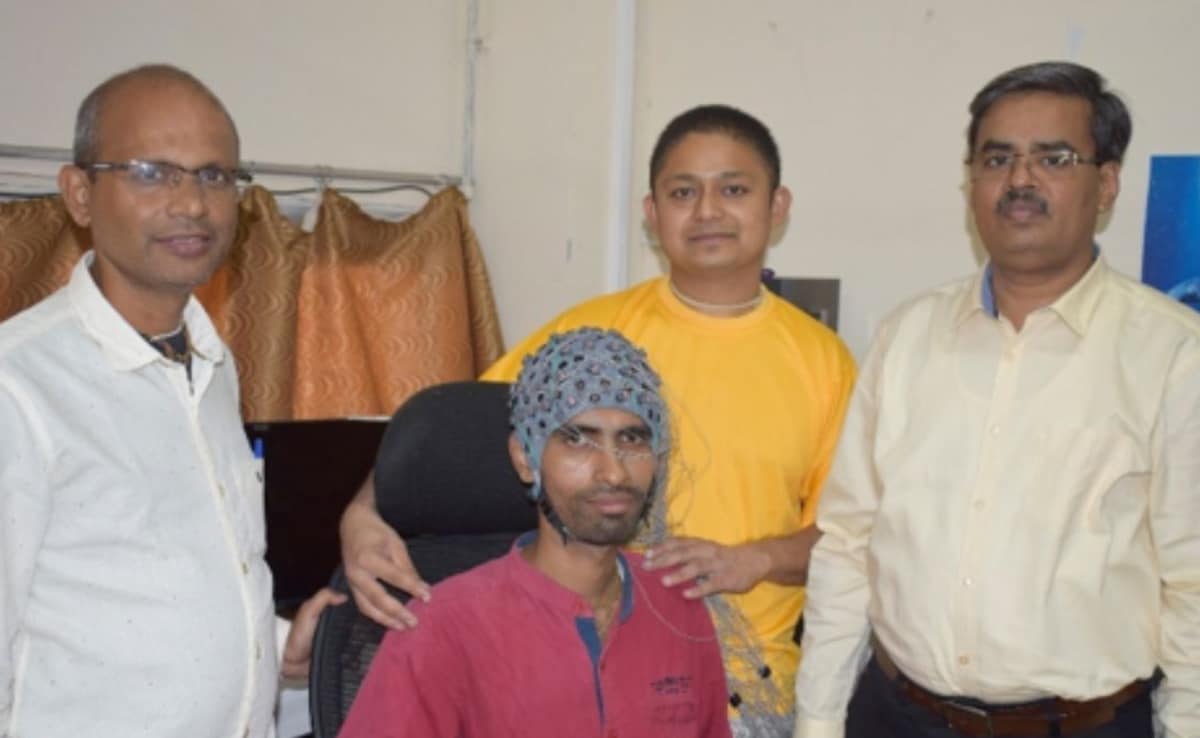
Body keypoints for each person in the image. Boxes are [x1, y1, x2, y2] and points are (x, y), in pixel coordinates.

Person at [340, 105, 857, 734]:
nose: (707, 211)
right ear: (652, 212)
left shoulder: (824, 362)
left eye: (734, 190)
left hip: (751, 696)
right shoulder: (593, 336)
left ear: (777, 206)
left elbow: (852, 538)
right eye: (683, 192)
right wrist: (361, 515)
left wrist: (756, 560)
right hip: (576, 683)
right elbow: (448, 440)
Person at [794, 61, 1200, 738]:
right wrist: (818, 721)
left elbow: (1193, 581)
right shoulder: (908, 337)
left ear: (1106, 184)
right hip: (897, 717)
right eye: (997, 158)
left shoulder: (1173, 354)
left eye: (1053, 158)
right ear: (971, 182)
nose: (1019, 180)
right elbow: (848, 546)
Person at [0, 64, 342, 738]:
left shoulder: (211, 365)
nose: (192, 204)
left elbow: (172, 585)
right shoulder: (20, 385)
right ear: (79, 194)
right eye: (152, 172)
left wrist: (278, 648)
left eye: (215, 175)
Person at [338, 327, 732, 738]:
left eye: (632, 439)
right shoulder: (442, 628)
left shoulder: (677, 604)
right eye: (579, 441)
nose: (614, 472)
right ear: (525, 457)